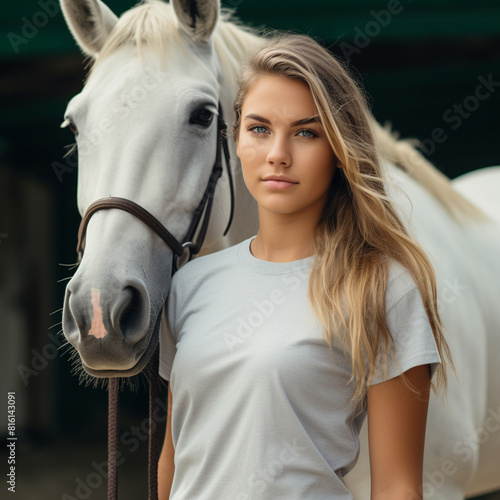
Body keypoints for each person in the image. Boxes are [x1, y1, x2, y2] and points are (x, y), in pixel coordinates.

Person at [157, 32, 452, 500]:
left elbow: (397, 487)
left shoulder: (381, 287)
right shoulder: (189, 284)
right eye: (259, 128)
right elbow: (176, 458)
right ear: (235, 141)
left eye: (306, 132)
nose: (278, 153)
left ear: (339, 150)